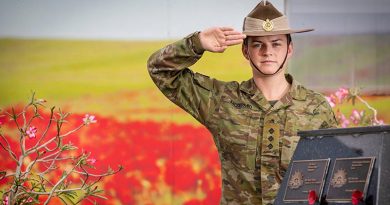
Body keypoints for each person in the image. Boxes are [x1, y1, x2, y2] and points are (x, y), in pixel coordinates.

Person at [147, 0, 337, 204]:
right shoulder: (222, 101)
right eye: (258, 44)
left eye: (276, 43)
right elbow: (161, 70)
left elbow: (337, 176)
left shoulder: (316, 108)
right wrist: (197, 42)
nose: (267, 51)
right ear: (245, 51)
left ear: (289, 49)